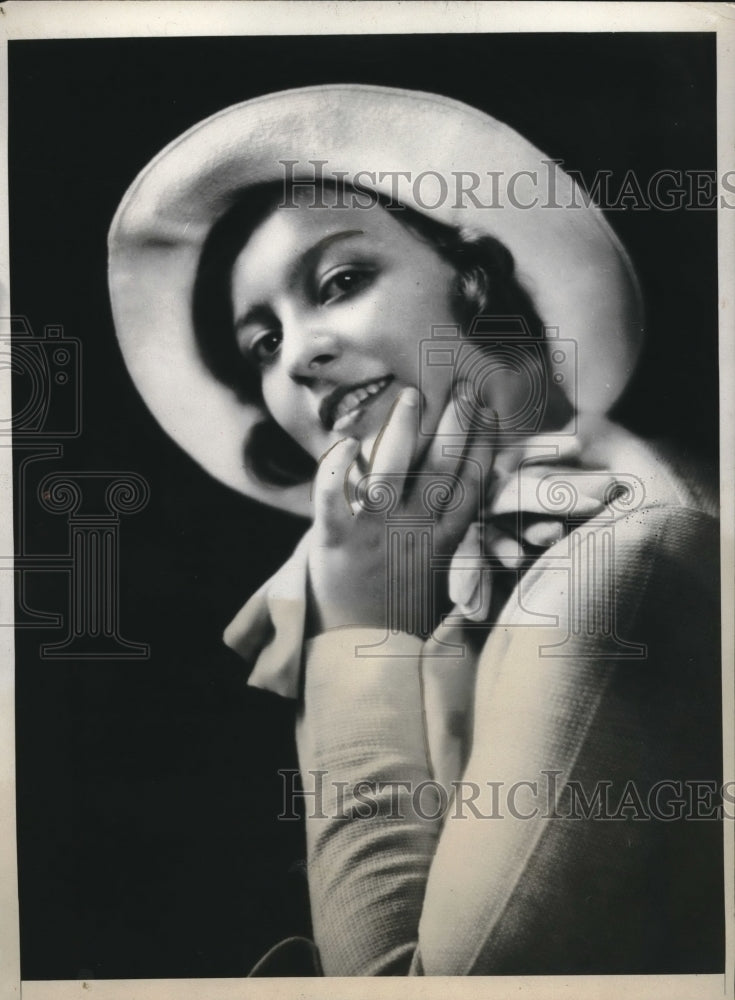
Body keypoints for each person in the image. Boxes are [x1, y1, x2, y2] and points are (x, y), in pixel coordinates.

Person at [108, 85, 722, 976]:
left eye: (341, 282)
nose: (302, 354)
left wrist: (361, 635)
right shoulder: (412, 588)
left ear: (472, 278)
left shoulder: (626, 563)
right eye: (262, 345)